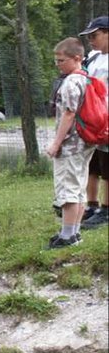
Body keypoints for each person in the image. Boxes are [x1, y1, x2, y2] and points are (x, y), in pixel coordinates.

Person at [46, 37, 97, 249]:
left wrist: (56, 144)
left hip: (70, 145)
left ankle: (67, 236)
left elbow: (68, 114)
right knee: (79, 188)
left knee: (67, 190)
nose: (58, 65)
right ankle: (74, 233)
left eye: (61, 61)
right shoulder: (86, 78)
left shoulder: (70, 83)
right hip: (84, 143)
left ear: (76, 59)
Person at [79, 16, 109, 229]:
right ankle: (92, 205)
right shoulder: (93, 58)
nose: (91, 40)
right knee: (92, 164)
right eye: (88, 37)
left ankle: (106, 210)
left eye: (95, 35)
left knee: (107, 165)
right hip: (92, 120)